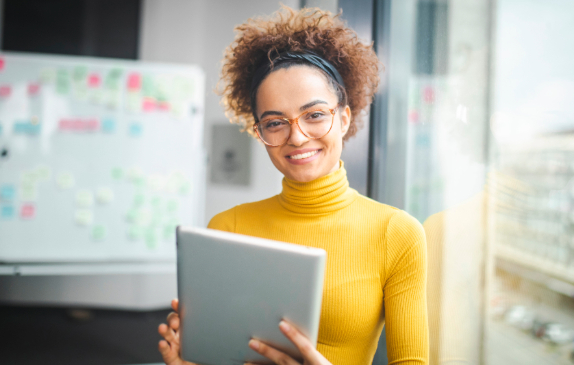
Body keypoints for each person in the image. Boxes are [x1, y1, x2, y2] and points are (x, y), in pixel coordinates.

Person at [158, 6, 429, 365]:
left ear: (344, 118)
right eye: (274, 123)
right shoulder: (227, 229)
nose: (297, 137)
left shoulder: (396, 234)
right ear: (259, 132)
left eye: (315, 115)